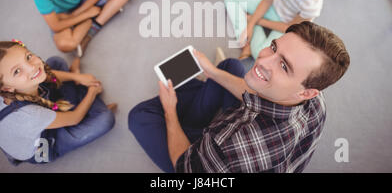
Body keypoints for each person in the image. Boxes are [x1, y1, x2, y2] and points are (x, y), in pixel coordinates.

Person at [129, 21, 350, 173]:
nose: (263, 60)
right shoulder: (316, 102)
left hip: (214, 158)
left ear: (307, 91)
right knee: (230, 66)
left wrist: (170, 111)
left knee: (140, 115)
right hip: (245, 146)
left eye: (284, 66)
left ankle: (185, 124)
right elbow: (256, 91)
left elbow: (184, 167)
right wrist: (213, 72)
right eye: (273, 47)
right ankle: (196, 112)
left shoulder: (228, 145)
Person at [0, 40, 116, 165]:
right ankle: (88, 103)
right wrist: (92, 92)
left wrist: (76, 76)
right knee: (105, 120)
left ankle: (80, 97)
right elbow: (74, 119)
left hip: (38, 116)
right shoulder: (29, 116)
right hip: (44, 144)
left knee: (55, 62)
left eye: (28, 57)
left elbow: (46, 74)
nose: (32, 67)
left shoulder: (12, 88)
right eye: (17, 71)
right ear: (6, 88)